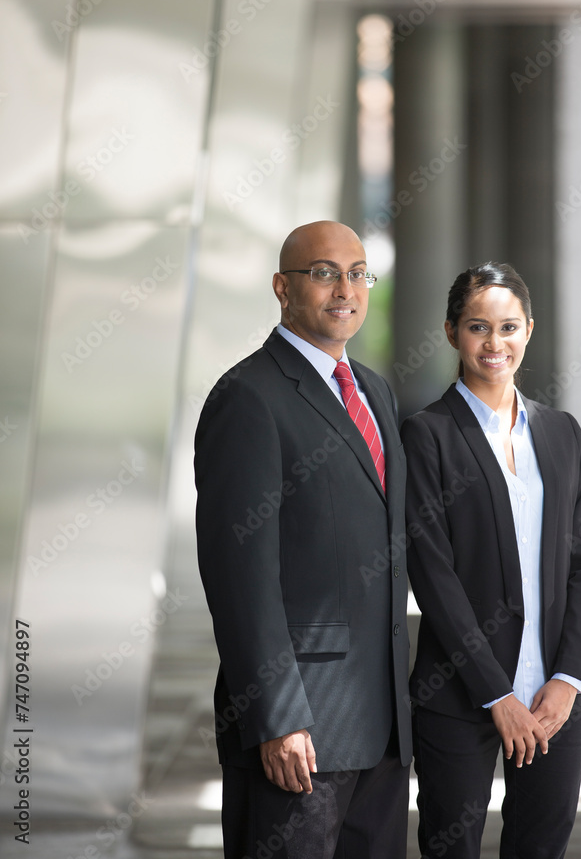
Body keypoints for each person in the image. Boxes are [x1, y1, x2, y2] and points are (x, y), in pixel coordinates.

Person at [194, 220, 412, 859]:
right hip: (300, 732)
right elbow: (241, 578)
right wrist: (278, 714)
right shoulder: (248, 397)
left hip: (383, 724)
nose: (345, 288)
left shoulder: (372, 390)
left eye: (357, 272)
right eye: (323, 272)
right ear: (281, 288)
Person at [401, 262, 581, 859]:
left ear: (529, 330)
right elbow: (432, 574)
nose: (495, 344)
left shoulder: (562, 433)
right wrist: (497, 694)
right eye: (477, 327)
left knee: (541, 848)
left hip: (555, 699)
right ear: (450, 333)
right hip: (460, 694)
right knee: (450, 846)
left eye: (509, 327)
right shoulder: (427, 435)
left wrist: (568, 681)